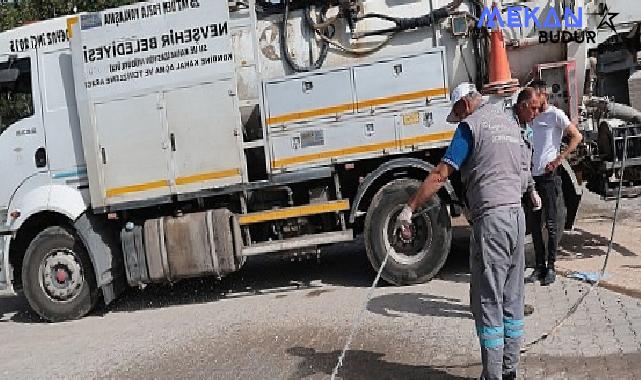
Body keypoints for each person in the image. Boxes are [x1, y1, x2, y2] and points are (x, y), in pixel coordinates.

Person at [398, 85, 542, 380]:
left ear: (465, 104)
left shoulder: (470, 127)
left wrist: (410, 207)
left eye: (457, 111)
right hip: (517, 218)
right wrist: (530, 191)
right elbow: (523, 166)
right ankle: (509, 369)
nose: (457, 117)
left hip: (493, 221)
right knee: (512, 296)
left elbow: (441, 174)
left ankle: (493, 375)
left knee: (488, 300)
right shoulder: (509, 121)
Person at [527, 81, 583, 286]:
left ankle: (551, 267)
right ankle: (539, 266)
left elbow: (576, 137)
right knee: (534, 224)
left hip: (549, 177)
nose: (534, 101)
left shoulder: (555, 115)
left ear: (544, 95)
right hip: (533, 178)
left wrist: (559, 158)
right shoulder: (532, 117)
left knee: (551, 223)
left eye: (536, 96)